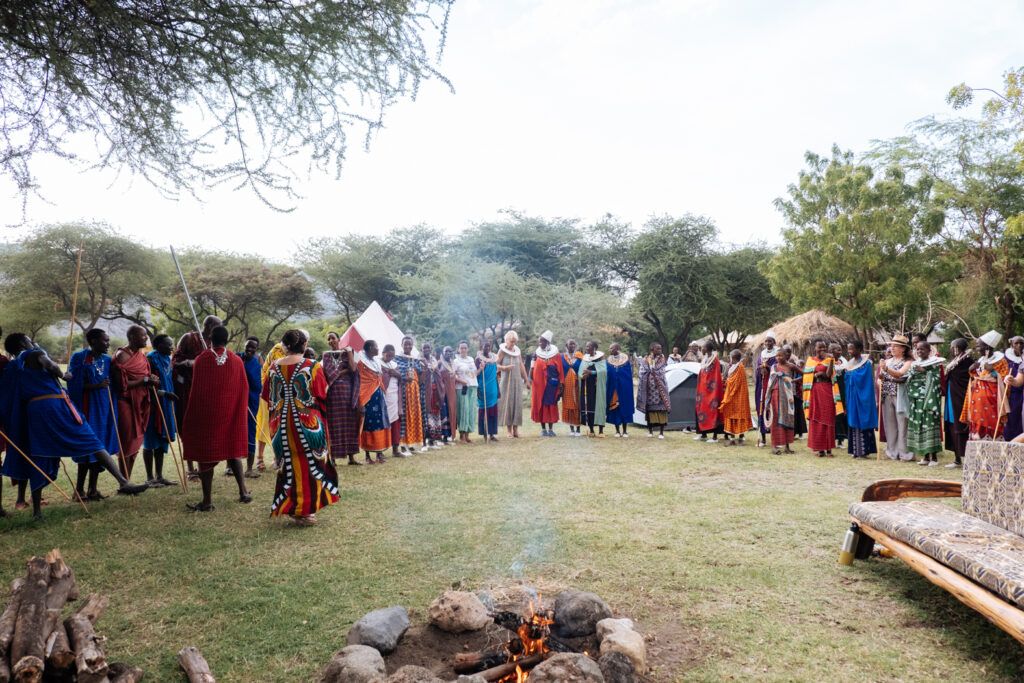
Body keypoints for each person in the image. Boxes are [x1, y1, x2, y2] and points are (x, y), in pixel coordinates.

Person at [1, 333, 148, 518]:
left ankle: (37, 511)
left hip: (34, 412)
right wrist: (64, 374)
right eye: (29, 339)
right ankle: (123, 482)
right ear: (23, 343)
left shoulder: (13, 367)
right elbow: (48, 363)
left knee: (41, 454)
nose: (33, 341)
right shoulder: (34, 353)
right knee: (90, 440)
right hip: (55, 406)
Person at [264, 329, 339, 526]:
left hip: (281, 425)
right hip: (308, 423)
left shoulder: (273, 367)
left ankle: (294, 508)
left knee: (288, 465)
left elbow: (267, 396)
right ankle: (305, 511)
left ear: (285, 346)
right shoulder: (312, 366)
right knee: (311, 463)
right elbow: (322, 392)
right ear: (305, 344)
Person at [181, 326, 252, 511]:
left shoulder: (202, 359)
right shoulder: (236, 360)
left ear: (210, 338)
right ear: (227, 339)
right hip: (230, 415)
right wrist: (237, 411)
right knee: (232, 451)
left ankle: (207, 501)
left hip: (207, 416)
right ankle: (243, 492)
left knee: (205, 456)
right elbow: (243, 388)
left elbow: (196, 391)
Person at [67, 328, 120, 499]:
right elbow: (73, 385)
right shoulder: (79, 357)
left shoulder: (107, 360)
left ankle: (93, 489)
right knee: (87, 448)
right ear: (94, 341)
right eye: (105, 340)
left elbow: (115, 382)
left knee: (100, 447)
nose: (108, 343)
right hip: (87, 407)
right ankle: (79, 490)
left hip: (104, 407)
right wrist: (96, 386)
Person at [172, 315, 221, 478]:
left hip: (207, 391)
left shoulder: (214, 343)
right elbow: (175, 363)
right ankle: (190, 467)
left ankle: (204, 464)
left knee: (204, 427)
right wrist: (192, 363)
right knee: (187, 426)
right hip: (187, 389)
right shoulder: (189, 338)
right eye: (217, 326)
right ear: (209, 326)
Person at [111, 325, 156, 479]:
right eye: (143, 336)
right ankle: (124, 481)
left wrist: (151, 381)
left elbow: (145, 377)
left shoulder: (141, 356)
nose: (146, 338)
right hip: (126, 403)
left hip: (141, 402)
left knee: (136, 441)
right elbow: (121, 385)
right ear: (132, 337)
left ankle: (127, 479)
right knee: (127, 441)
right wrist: (144, 380)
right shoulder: (121, 356)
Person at [142, 334, 178, 488]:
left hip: (167, 404)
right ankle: (150, 478)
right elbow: (146, 385)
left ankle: (160, 476)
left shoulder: (168, 359)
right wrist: (163, 393)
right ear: (158, 345)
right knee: (151, 440)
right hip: (153, 405)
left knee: (163, 440)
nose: (171, 347)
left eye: (172, 344)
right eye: (168, 344)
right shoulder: (150, 359)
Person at [962, 330, 1010, 440]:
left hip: (993, 401)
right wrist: (972, 370)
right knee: (977, 422)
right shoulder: (980, 360)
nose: (977, 349)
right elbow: (977, 377)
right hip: (977, 401)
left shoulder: (1001, 361)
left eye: (979, 346)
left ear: (987, 347)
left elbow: (1006, 380)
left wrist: (993, 371)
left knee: (992, 423)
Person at [907, 340, 945, 466]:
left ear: (929, 351)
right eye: (917, 349)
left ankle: (933, 457)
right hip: (916, 399)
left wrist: (924, 371)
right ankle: (925, 456)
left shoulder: (934, 363)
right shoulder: (914, 363)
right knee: (919, 425)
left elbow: (937, 379)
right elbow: (908, 378)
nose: (919, 351)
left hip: (929, 399)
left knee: (929, 424)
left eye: (922, 349)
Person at [322, 343, 360, 465]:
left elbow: (353, 369)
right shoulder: (326, 356)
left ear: (339, 339)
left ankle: (352, 458)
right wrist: (343, 371)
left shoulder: (348, 353)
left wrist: (349, 352)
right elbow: (328, 373)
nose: (330, 340)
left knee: (350, 423)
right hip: (333, 394)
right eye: (328, 338)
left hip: (347, 393)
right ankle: (332, 458)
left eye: (333, 337)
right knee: (334, 424)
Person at [839, 340, 878, 459]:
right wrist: (847, 373)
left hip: (862, 396)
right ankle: (855, 450)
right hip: (852, 396)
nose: (850, 351)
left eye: (852, 349)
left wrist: (851, 374)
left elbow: (864, 379)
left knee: (862, 419)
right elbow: (847, 378)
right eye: (849, 349)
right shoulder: (850, 362)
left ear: (859, 349)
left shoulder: (866, 363)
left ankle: (864, 450)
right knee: (853, 420)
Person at [803, 340, 842, 457]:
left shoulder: (829, 360)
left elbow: (830, 374)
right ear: (815, 348)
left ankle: (829, 449)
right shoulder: (810, 361)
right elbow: (807, 377)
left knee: (828, 418)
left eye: (824, 348)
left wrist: (830, 362)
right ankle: (820, 449)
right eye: (820, 347)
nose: (822, 350)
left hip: (827, 390)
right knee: (816, 419)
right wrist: (817, 375)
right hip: (815, 391)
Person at [879, 335, 914, 462]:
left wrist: (886, 369)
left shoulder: (908, 362)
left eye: (895, 346)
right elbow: (880, 377)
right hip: (886, 395)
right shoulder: (887, 361)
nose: (892, 348)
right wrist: (880, 380)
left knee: (903, 424)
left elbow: (900, 374)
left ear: (903, 349)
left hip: (901, 396)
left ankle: (904, 453)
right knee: (890, 425)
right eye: (891, 346)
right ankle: (892, 452)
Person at [255, 340, 288, 472]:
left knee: (279, 425)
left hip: (280, 393)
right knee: (266, 424)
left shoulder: (286, 351)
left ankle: (277, 458)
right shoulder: (278, 349)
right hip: (268, 392)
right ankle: (260, 458)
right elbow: (280, 371)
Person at [357, 339, 391, 463]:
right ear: (371, 348)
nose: (378, 349)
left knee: (381, 422)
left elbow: (379, 378)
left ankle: (379, 454)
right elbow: (360, 382)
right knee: (368, 424)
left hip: (379, 397)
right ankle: (367, 456)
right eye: (376, 346)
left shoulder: (376, 361)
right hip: (368, 398)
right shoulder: (361, 362)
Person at [942, 338, 972, 468]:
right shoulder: (954, 361)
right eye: (952, 347)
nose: (953, 349)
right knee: (951, 425)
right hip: (951, 396)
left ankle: (966, 458)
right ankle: (957, 458)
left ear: (961, 348)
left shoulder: (967, 362)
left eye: (956, 347)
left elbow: (967, 381)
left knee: (960, 426)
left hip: (960, 398)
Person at [395, 336, 425, 455]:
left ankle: (412, 444)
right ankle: (403, 445)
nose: (408, 346)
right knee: (405, 417)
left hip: (414, 391)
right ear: (401, 345)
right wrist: (404, 378)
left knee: (414, 415)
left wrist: (424, 368)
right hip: (403, 391)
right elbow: (396, 374)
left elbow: (421, 377)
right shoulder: (397, 359)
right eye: (405, 344)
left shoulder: (415, 360)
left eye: (410, 344)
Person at [530, 331, 562, 436]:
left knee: (551, 405)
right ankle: (543, 429)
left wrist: (561, 384)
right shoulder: (537, 354)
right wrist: (532, 361)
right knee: (541, 405)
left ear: (547, 342)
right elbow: (532, 371)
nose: (540, 344)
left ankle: (551, 429)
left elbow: (560, 370)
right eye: (539, 342)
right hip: (539, 385)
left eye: (542, 342)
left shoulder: (555, 354)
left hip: (551, 384)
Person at [238, 337, 263, 477]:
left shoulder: (255, 363)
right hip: (236, 400)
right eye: (248, 346)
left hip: (251, 401)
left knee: (250, 431)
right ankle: (230, 467)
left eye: (253, 347)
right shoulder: (237, 358)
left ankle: (249, 469)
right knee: (234, 430)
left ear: (256, 349)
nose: (249, 349)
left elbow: (257, 385)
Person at [765, 347, 796, 455]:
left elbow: (804, 373)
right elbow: (770, 381)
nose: (778, 358)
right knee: (776, 419)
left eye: (780, 355)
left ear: (786, 356)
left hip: (788, 397)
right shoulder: (774, 367)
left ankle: (787, 446)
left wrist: (793, 380)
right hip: (775, 394)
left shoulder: (790, 366)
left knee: (787, 418)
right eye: (776, 356)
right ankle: (774, 446)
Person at [497, 330, 527, 438]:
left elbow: (521, 366)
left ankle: (516, 429)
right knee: (508, 403)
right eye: (511, 341)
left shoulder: (517, 351)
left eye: (514, 342)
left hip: (517, 381)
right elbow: (494, 365)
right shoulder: (502, 351)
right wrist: (504, 368)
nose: (513, 343)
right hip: (506, 381)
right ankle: (509, 430)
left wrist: (527, 380)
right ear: (506, 340)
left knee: (517, 403)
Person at [637, 343, 671, 438]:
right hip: (649, 389)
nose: (660, 350)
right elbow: (642, 371)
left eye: (660, 348)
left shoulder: (662, 359)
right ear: (652, 349)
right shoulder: (646, 359)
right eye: (658, 348)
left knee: (661, 409)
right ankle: (650, 431)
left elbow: (662, 371)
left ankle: (661, 432)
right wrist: (648, 372)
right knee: (650, 410)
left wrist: (654, 371)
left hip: (660, 388)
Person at [720, 349, 753, 446]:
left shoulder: (740, 367)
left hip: (739, 396)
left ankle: (741, 437)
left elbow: (736, 382)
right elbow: (730, 379)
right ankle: (732, 437)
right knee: (731, 414)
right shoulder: (733, 367)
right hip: (732, 395)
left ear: (733, 358)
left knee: (740, 414)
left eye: (730, 357)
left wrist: (727, 382)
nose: (730, 359)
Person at [694, 340, 725, 442]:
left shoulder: (714, 360)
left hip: (712, 391)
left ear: (707, 348)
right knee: (701, 410)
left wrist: (712, 389)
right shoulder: (705, 359)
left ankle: (715, 437)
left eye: (702, 347)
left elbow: (715, 376)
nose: (701, 349)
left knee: (713, 410)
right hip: (703, 391)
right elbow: (702, 373)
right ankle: (703, 434)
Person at [754, 331, 779, 448]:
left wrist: (768, 368)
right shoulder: (762, 354)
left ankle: (776, 438)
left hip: (773, 385)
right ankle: (763, 438)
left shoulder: (777, 354)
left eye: (770, 341)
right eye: (766, 341)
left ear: (774, 342)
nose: (768, 343)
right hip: (762, 384)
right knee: (762, 408)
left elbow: (778, 368)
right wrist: (760, 369)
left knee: (774, 408)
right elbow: (758, 368)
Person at [578, 340, 607, 437]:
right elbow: (580, 372)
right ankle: (591, 429)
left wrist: (592, 373)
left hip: (597, 387)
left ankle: (601, 430)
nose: (587, 348)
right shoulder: (585, 358)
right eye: (586, 346)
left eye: (589, 346)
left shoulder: (600, 359)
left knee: (599, 405)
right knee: (589, 406)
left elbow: (604, 371)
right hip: (587, 386)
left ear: (595, 348)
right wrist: (583, 376)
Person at [605, 343, 634, 437]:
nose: (610, 350)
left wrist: (620, 378)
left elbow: (627, 374)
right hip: (613, 389)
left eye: (611, 348)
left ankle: (625, 431)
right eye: (609, 348)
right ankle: (617, 431)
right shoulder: (608, 360)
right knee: (615, 409)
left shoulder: (625, 359)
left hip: (624, 388)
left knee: (624, 408)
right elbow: (608, 373)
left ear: (617, 348)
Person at [420, 341, 445, 449]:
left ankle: (433, 440)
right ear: (421, 350)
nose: (426, 350)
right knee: (425, 415)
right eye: (424, 348)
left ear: (431, 349)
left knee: (435, 415)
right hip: (424, 392)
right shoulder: (419, 360)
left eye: (428, 348)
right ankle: (424, 440)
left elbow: (438, 375)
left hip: (435, 391)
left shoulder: (434, 360)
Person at [380, 344, 404, 457]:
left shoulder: (394, 364)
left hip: (395, 397)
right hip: (383, 396)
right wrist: (389, 374)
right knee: (382, 423)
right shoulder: (377, 363)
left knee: (395, 423)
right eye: (388, 355)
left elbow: (400, 376)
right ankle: (380, 450)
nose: (390, 358)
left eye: (392, 356)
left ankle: (395, 449)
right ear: (383, 353)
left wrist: (396, 373)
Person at [453, 341, 478, 442]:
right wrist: (461, 381)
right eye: (461, 348)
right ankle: (462, 435)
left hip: (472, 387)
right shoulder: (456, 361)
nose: (463, 350)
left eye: (465, 348)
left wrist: (480, 369)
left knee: (471, 411)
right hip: (462, 388)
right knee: (463, 410)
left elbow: (474, 374)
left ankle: (468, 435)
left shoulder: (471, 359)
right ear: (458, 349)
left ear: (468, 349)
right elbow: (453, 375)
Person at [476, 339, 499, 441]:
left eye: (488, 346)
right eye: (485, 346)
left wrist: (498, 389)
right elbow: (476, 374)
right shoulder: (478, 359)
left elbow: (495, 375)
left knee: (493, 412)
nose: (487, 348)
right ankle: (484, 433)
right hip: (483, 387)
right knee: (484, 411)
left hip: (493, 387)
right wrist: (478, 388)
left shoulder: (494, 359)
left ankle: (492, 434)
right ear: (481, 347)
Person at [559, 340, 583, 436]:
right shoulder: (562, 357)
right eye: (570, 344)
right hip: (566, 385)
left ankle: (578, 429)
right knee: (568, 406)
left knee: (577, 406)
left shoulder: (580, 357)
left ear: (575, 346)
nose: (572, 346)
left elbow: (583, 369)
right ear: (566, 346)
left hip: (577, 385)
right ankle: (571, 429)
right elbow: (560, 370)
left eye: (574, 344)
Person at [829, 342, 849, 447]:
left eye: (840, 350)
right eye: (837, 350)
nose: (840, 352)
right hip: (831, 391)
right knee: (832, 415)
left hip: (841, 390)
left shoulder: (843, 361)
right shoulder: (828, 362)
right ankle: (831, 439)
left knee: (841, 414)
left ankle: (840, 439)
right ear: (831, 351)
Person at [1005, 336, 1024, 441]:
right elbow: (1018, 381)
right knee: (1013, 418)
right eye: (1016, 343)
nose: (1019, 345)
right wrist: (1010, 379)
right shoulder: (1006, 358)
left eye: (1021, 343)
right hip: (1012, 394)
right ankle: (1011, 443)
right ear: (1011, 344)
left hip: (1022, 394)